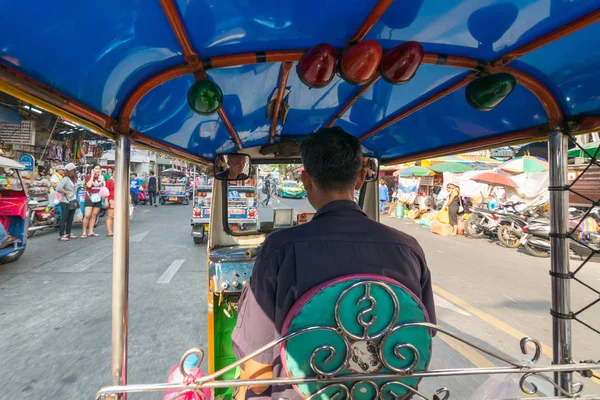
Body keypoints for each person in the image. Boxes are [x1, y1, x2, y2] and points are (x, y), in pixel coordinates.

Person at [231, 127, 435, 400]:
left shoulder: (280, 249)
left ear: (305, 179)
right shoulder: (408, 248)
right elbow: (417, 344)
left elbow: (258, 377)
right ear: (361, 177)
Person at [56, 163, 78, 241]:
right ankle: (61, 235)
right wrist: (65, 192)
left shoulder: (74, 179)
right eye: (75, 169)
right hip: (66, 201)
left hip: (73, 200)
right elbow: (58, 188)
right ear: (72, 170)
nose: (76, 170)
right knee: (64, 217)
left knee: (70, 218)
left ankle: (68, 233)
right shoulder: (65, 179)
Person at [81, 164, 104, 238]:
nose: (97, 170)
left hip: (98, 198)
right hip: (89, 197)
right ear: (93, 169)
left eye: (99, 169)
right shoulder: (88, 177)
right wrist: (92, 176)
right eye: (96, 168)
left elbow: (103, 187)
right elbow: (89, 185)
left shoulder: (101, 177)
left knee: (94, 215)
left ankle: (90, 231)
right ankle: (84, 232)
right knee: (87, 215)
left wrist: (102, 181)